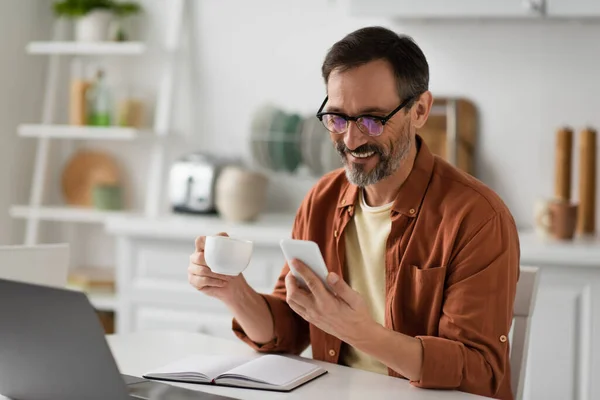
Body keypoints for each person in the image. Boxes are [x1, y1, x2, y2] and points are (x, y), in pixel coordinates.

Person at [188, 26, 519, 400]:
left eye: (373, 119)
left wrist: (360, 332)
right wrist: (234, 292)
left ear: (420, 110)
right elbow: (289, 333)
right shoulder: (322, 200)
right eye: (338, 118)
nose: (351, 139)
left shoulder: (476, 217)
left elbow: (480, 373)